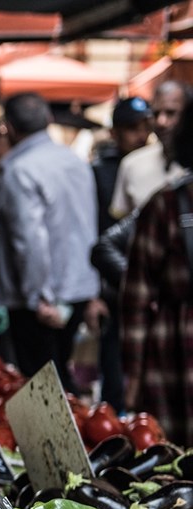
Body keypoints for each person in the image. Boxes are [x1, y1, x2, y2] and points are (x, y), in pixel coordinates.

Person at [0, 93, 99, 393]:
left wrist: (39, 296)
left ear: (8, 128)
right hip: (75, 290)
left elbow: (30, 240)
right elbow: (87, 225)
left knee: (44, 388)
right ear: (48, 120)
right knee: (58, 379)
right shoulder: (74, 162)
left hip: (40, 299)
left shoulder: (20, 169)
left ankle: (69, 440)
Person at [119, 97, 193, 448]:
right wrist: (132, 380)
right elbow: (135, 300)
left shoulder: (166, 203)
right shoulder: (165, 205)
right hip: (173, 356)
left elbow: (135, 301)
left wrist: (133, 380)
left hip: (172, 351)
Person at [89, 97, 153, 411]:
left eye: (145, 126)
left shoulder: (161, 166)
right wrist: (93, 294)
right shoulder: (100, 172)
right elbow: (96, 238)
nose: (140, 134)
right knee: (115, 380)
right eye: (131, 128)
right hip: (114, 289)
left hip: (151, 291)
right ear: (115, 132)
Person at [111, 81, 191, 220]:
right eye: (155, 114)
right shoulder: (132, 164)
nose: (161, 121)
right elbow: (120, 228)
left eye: (171, 113)